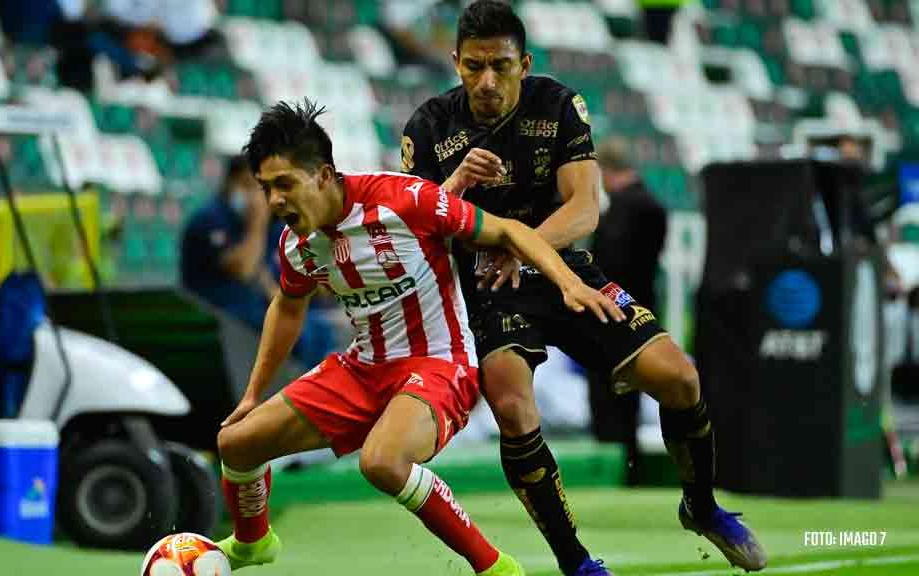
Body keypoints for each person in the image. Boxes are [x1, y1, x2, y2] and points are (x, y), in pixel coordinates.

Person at [400, 2, 766, 574]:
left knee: (679, 376)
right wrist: (454, 183)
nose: (487, 81)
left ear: (524, 62)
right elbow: (412, 232)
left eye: (500, 65)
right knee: (515, 408)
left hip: (563, 270)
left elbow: (585, 208)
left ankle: (702, 506)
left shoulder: (559, 104)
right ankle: (576, 563)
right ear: (455, 62)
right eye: (473, 66)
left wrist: (522, 247)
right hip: (485, 288)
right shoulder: (427, 127)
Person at [213, 99, 625, 576]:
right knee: (235, 443)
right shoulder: (296, 243)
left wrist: (570, 283)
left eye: (285, 184)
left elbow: (509, 231)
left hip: (438, 364)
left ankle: (496, 568)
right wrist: (251, 395)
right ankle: (252, 545)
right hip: (362, 368)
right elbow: (287, 307)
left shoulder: (405, 200)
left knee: (382, 462)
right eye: (266, 189)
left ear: (324, 174)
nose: (275, 201)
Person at [180, 154, 334, 366]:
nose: (258, 196)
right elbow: (243, 269)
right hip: (217, 313)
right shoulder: (210, 218)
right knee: (294, 332)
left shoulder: (274, 226)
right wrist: (257, 223)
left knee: (319, 329)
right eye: (249, 186)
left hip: (254, 308)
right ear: (230, 183)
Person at [588, 137, 668, 486]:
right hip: (643, 311)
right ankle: (629, 462)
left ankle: (615, 468)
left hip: (613, 314)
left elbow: (609, 267)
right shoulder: (654, 205)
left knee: (608, 396)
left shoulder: (621, 210)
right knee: (631, 394)